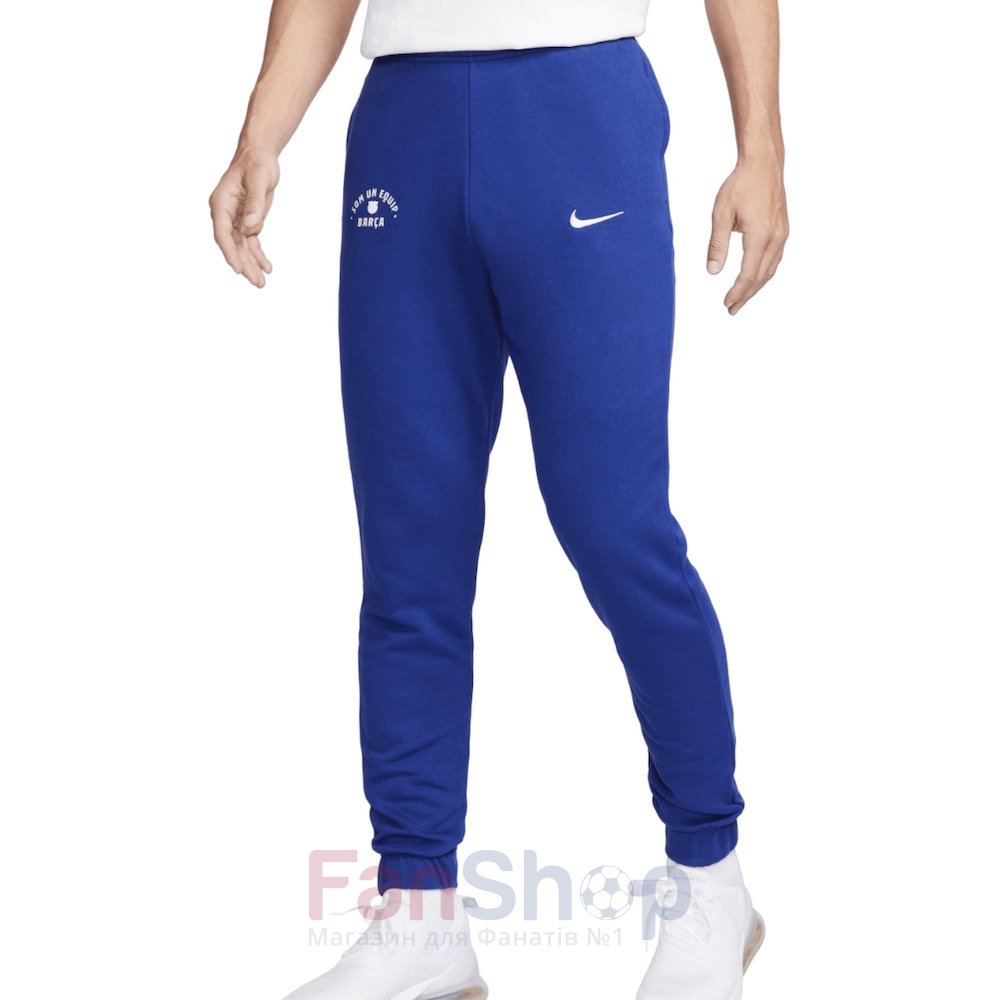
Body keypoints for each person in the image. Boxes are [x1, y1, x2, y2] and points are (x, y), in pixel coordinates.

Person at [209, 1, 788, 997]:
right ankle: (419, 915)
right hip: (404, 127)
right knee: (409, 554)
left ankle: (710, 875)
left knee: (618, 530)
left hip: (576, 111)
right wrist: (261, 132)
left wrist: (761, 145)